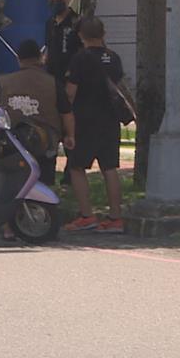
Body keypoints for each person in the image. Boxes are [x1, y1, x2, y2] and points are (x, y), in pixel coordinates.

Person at [0, 39, 76, 240]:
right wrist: (70, 136)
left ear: (18, 58)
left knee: (9, 183)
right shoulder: (51, 82)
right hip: (44, 141)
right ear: (40, 58)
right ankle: (42, 218)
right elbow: (67, 113)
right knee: (44, 180)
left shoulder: (4, 82)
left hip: (13, 143)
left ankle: (8, 227)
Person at [63, 17, 126, 233]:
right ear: (103, 34)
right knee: (109, 168)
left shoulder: (80, 59)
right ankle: (116, 217)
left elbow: (70, 93)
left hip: (85, 120)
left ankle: (87, 215)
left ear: (81, 36)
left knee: (77, 167)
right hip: (110, 120)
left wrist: (64, 116)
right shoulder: (114, 58)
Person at [44, 0, 83, 84]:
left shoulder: (77, 22)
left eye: (58, 0)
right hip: (52, 79)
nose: (54, 4)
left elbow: (83, 51)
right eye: (51, 1)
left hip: (73, 81)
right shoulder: (50, 23)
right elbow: (48, 48)